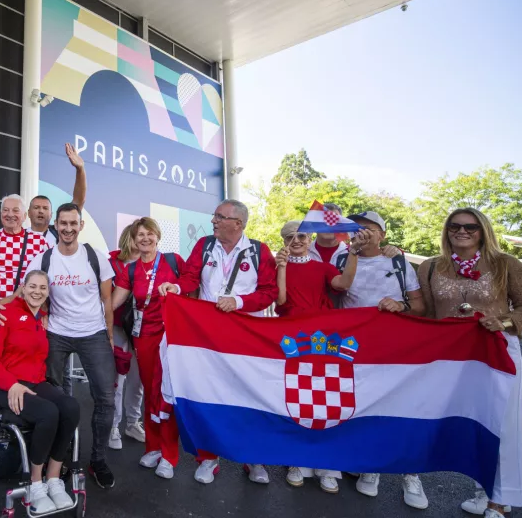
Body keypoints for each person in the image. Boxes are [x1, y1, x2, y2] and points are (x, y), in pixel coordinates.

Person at [417, 208, 522, 518]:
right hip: (452, 357)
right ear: (447, 231)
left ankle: (498, 499)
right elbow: (428, 314)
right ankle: (485, 488)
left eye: (470, 227)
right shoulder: (430, 267)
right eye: (455, 226)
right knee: (469, 422)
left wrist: (506, 322)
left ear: (483, 230)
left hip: (496, 351)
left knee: (502, 423)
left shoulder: (505, 264)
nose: (462, 231)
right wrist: (397, 309)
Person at [0, 203, 117, 488]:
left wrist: (108, 333)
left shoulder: (96, 257)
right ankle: (57, 461)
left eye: (73, 223)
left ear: (80, 226)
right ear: (55, 225)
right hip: (56, 334)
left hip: (93, 332)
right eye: (63, 223)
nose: (68, 228)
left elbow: (106, 299)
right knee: (57, 398)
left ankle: (98, 460)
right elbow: (25, 293)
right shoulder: (43, 258)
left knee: (105, 399)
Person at [158, 199, 278, 485]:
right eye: (214, 216)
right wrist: (175, 287)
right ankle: (208, 458)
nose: (213, 221)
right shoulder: (204, 245)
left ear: (238, 223)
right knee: (210, 394)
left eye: (219, 217)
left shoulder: (259, 251)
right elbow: (189, 278)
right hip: (207, 335)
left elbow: (268, 292)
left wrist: (237, 301)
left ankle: (254, 459)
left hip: (245, 337)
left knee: (248, 396)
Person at [273, 220, 370, 493]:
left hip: (323, 340)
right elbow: (280, 301)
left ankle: (328, 465)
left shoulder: (322, 267)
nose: (296, 240)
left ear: (309, 237)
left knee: (327, 396)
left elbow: (343, 283)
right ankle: (297, 460)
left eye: (301, 235)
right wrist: (281, 267)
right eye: (289, 236)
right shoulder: (277, 265)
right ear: (283, 239)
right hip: (291, 339)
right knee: (296, 395)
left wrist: (353, 253)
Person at [338, 210, 426, 507]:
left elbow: (419, 306)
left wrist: (401, 305)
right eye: (356, 228)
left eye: (369, 228)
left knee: (403, 409)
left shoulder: (398, 261)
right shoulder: (341, 259)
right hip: (356, 352)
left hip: (396, 351)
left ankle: (411, 475)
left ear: (382, 234)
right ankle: (370, 468)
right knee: (364, 409)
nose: (361, 232)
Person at [0, 270, 81, 514]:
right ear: (22, 288)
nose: (37, 292)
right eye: (32, 286)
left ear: (48, 292)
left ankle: (53, 478)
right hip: (7, 385)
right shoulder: (5, 313)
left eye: (43, 288)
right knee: (48, 413)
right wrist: (11, 384)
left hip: (35, 382)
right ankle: (36, 483)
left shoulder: (42, 317)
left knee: (70, 407)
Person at [110, 218, 187, 480]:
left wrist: (177, 288)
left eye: (149, 234)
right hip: (143, 337)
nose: (144, 239)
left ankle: (169, 454)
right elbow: (112, 302)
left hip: (172, 337)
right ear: (133, 239)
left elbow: (192, 286)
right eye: (139, 235)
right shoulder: (130, 270)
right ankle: (153, 447)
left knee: (167, 394)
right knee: (149, 392)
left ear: (157, 235)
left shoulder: (173, 261)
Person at [108, 224, 145, 451]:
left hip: (142, 330)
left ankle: (133, 422)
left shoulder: (151, 264)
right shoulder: (110, 262)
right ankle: (113, 426)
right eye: (137, 236)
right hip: (119, 327)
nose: (140, 241)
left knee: (137, 380)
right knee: (117, 380)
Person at [0, 195, 48, 301]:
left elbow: (48, 273)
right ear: (1, 214)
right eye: (5, 210)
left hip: (28, 306)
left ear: (24, 216)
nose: (10, 214)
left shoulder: (39, 241)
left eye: (16, 211)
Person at [28, 143, 87, 248]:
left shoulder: (59, 233)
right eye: (36, 207)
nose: (41, 211)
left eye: (45, 208)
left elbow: (78, 201)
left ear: (51, 215)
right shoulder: (20, 237)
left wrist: (80, 169)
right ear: (28, 213)